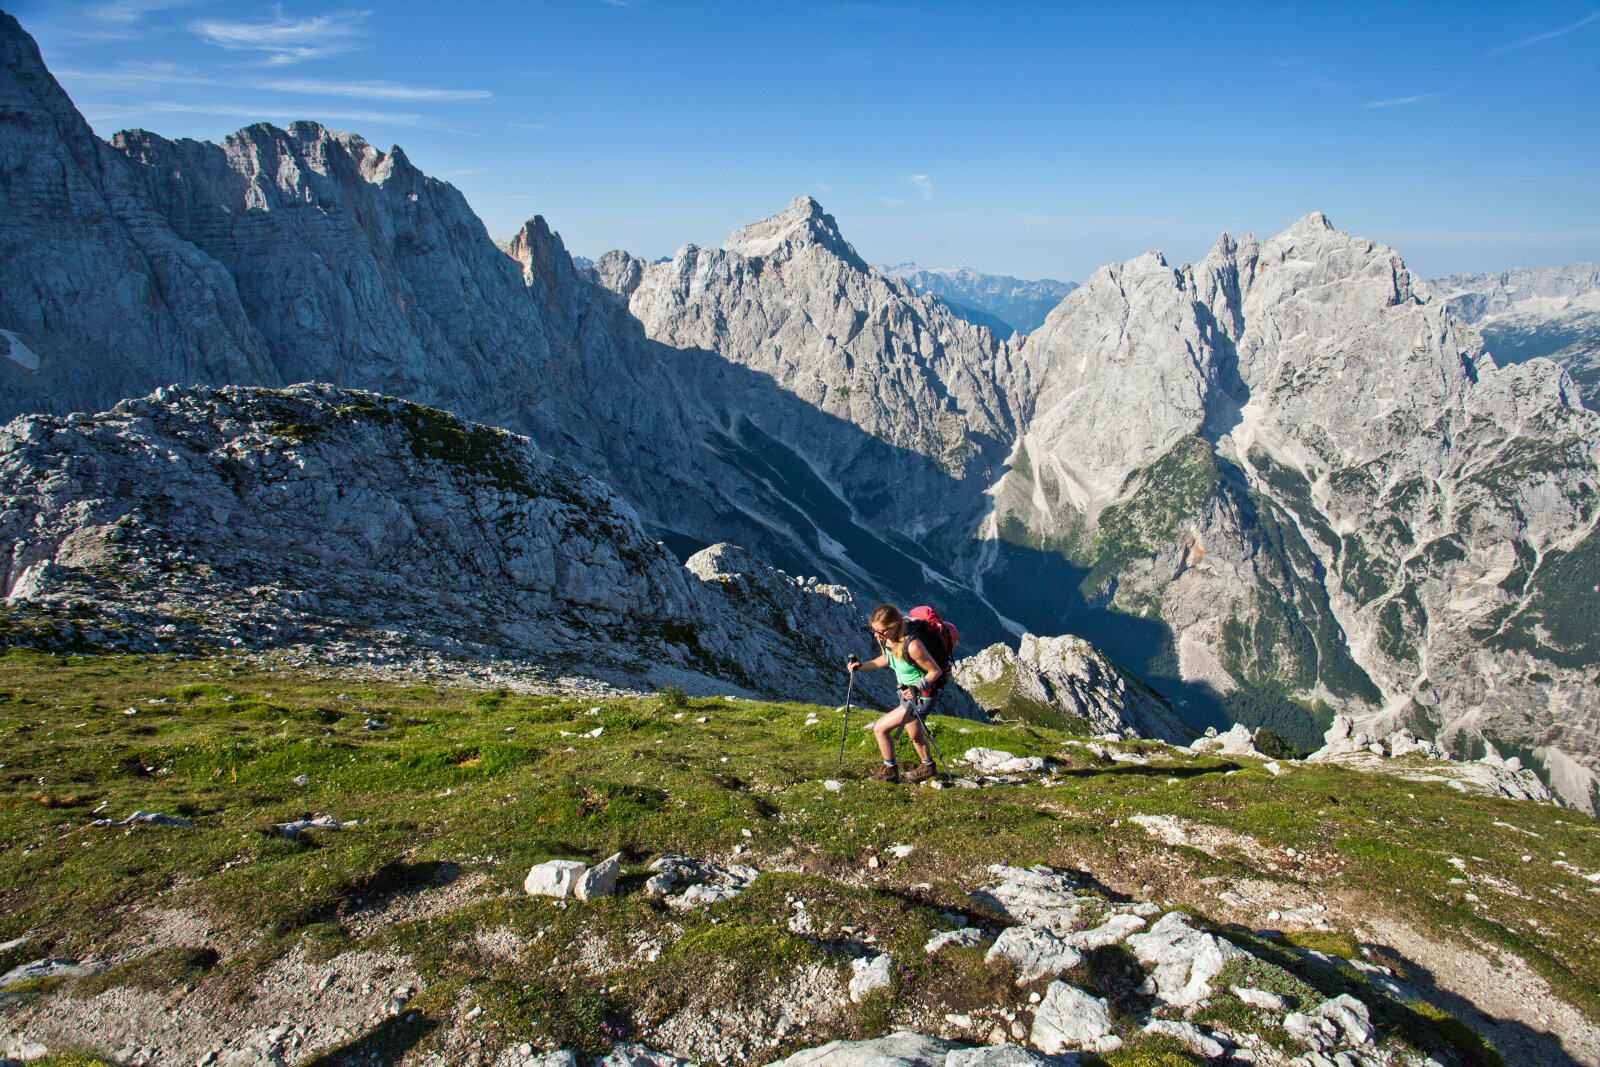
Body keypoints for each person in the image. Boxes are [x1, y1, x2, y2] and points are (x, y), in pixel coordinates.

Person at [847, 603, 942, 783]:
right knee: (915, 735)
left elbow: (935, 671)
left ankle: (890, 770)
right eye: (874, 630)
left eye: (881, 631)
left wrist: (916, 687)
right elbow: (887, 659)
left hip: (921, 697)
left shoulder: (913, 646)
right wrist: (861, 667)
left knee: (880, 728)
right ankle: (928, 766)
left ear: (895, 626)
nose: (877, 635)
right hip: (907, 695)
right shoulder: (887, 640)